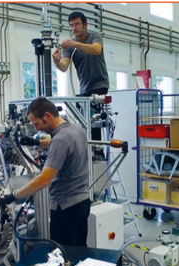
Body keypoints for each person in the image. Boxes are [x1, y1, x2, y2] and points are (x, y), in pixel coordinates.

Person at [0, 97, 91, 247]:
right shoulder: (75, 129)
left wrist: (13, 196)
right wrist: (36, 142)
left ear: (47, 116)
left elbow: (44, 180)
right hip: (82, 203)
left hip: (65, 208)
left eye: (37, 124)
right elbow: (62, 145)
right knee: (79, 250)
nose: (37, 129)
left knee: (64, 255)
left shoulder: (60, 139)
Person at [53, 11, 109, 157]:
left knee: (94, 119)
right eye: (71, 25)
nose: (74, 28)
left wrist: (75, 43)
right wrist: (56, 61)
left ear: (85, 25)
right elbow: (64, 67)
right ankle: (86, 150)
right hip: (84, 88)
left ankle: (97, 151)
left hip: (99, 84)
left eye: (77, 24)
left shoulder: (94, 36)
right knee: (82, 120)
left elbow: (96, 50)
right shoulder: (70, 47)